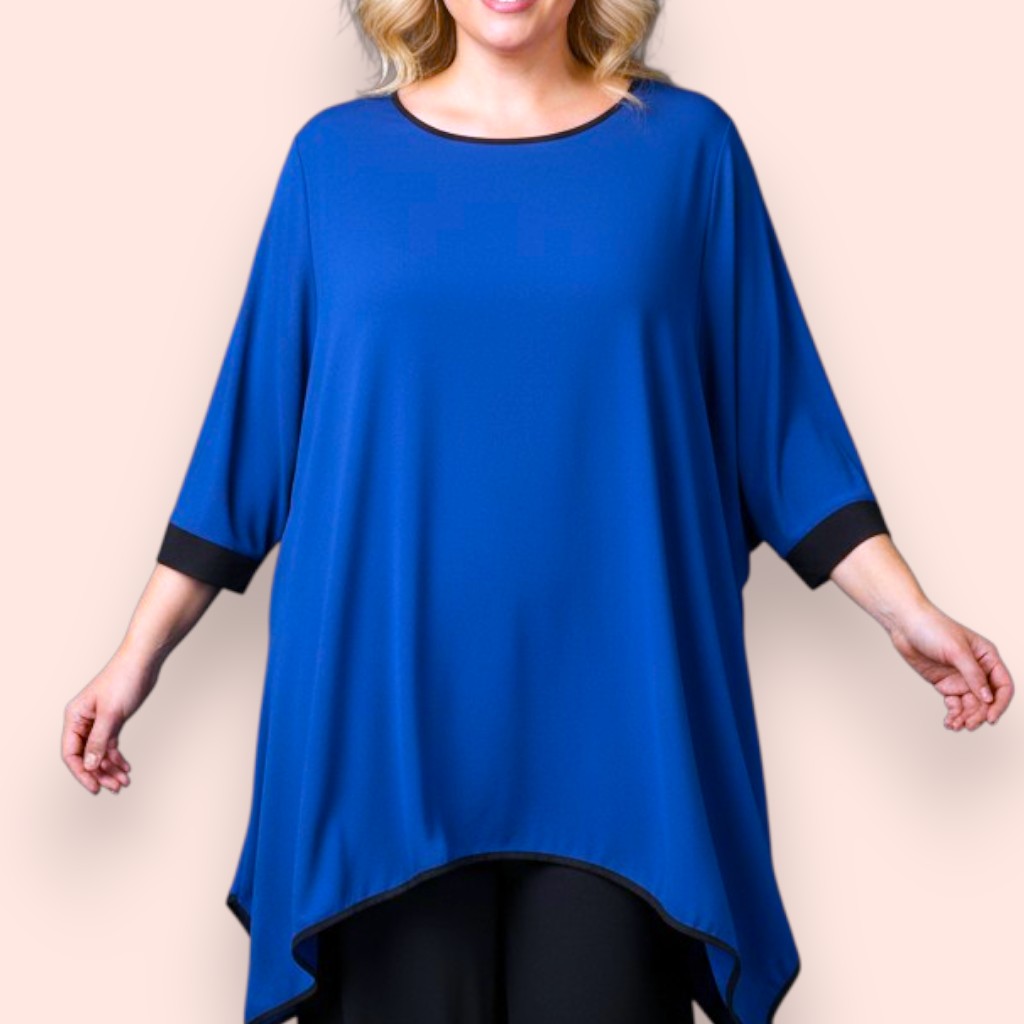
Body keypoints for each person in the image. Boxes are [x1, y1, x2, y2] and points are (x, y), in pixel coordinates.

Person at [61, 1, 1015, 1022]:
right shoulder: (331, 163)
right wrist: (136, 658)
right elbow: (249, 436)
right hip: (379, 717)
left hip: (622, 724)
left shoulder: (686, 152)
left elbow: (778, 422)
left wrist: (907, 612)